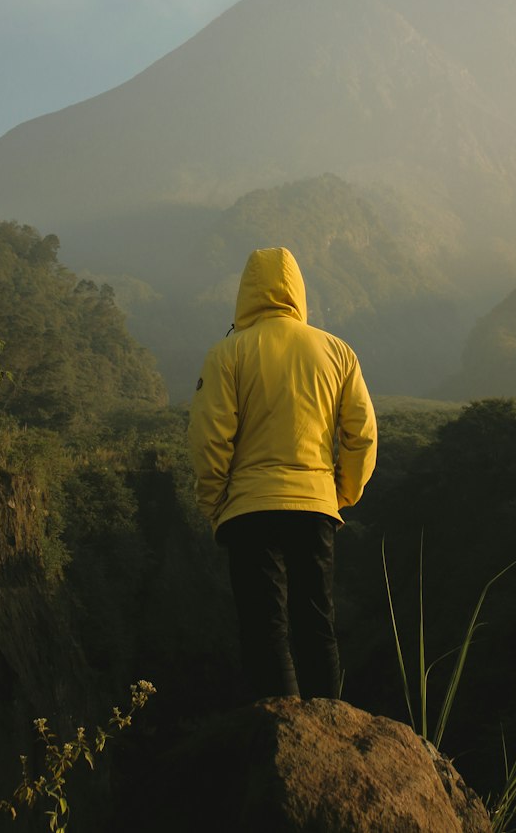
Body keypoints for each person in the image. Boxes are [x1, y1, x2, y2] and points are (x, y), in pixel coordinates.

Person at [188, 246, 377, 701]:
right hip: (315, 504)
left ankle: (282, 727)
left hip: (249, 509)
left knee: (264, 626)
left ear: (246, 292)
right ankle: (330, 724)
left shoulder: (227, 353)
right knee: (317, 622)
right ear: (297, 290)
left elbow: (209, 438)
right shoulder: (337, 352)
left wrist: (214, 503)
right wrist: (341, 493)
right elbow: (363, 435)